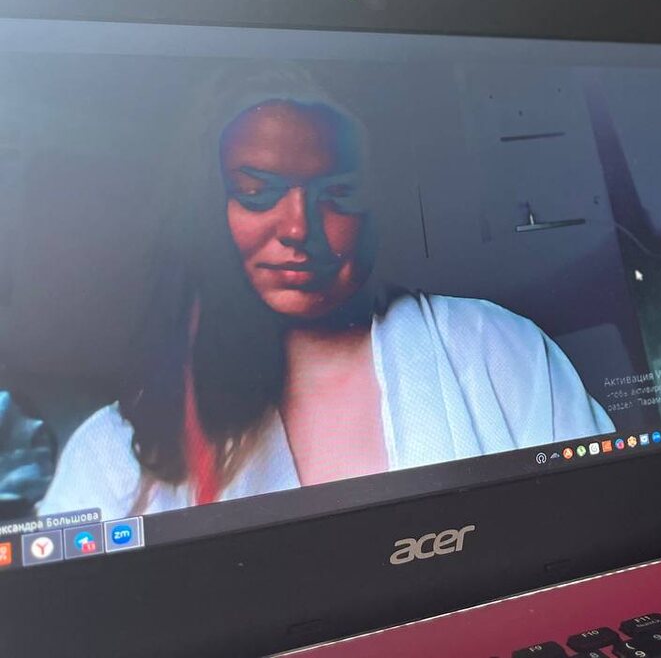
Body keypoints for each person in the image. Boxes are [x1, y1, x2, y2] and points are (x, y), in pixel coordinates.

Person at [39, 69, 612, 518]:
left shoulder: (495, 349)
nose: (298, 228)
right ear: (207, 211)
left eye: (336, 193)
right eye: (257, 193)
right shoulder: (111, 454)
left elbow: (599, 525)